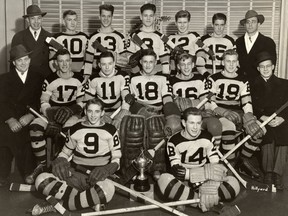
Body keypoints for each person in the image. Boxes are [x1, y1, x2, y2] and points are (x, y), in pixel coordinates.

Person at [33, 98, 120, 213]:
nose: (93, 115)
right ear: (85, 111)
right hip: (75, 175)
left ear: (103, 112)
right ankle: (85, 201)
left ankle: (61, 203)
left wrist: (107, 169)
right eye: (90, 111)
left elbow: (116, 158)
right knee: (41, 180)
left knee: (108, 188)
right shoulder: (75, 129)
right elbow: (65, 152)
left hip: (97, 178)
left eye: (97, 111)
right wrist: (60, 159)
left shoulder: (111, 130)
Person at [157, 107, 240, 212]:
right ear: (183, 123)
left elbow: (215, 163)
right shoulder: (173, 141)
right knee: (164, 180)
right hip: (185, 180)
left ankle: (190, 199)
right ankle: (208, 202)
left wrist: (212, 182)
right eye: (191, 123)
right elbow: (178, 171)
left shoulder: (208, 137)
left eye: (198, 123)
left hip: (205, 179)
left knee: (234, 184)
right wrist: (203, 174)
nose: (195, 127)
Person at [27, 48, 86, 184]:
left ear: (71, 62)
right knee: (35, 128)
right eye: (61, 61)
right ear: (56, 63)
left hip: (72, 113)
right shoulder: (49, 79)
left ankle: (64, 165)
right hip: (52, 112)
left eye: (67, 61)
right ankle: (41, 164)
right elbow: (44, 102)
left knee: (69, 132)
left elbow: (82, 102)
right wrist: (52, 116)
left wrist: (71, 110)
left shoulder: (79, 78)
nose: (64, 64)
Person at [121, 49, 182, 177]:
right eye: (145, 62)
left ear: (155, 63)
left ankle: (156, 167)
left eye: (151, 62)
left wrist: (171, 115)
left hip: (157, 109)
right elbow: (128, 96)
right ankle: (133, 166)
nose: (148, 65)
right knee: (135, 130)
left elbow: (167, 98)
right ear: (141, 63)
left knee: (158, 129)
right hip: (139, 108)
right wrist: (125, 107)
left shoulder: (163, 78)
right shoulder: (133, 78)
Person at [208, 49, 265, 179]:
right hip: (218, 113)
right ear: (223, 62)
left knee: (259, 130)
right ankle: (230, 163)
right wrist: (222, 111)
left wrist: (249, 116)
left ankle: (243, 160)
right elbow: (208, 101)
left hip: (236, 112)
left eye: (234, 61)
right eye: (228, 61)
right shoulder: (213, 78)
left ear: (237, 62)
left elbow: (246, 102)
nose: (231, 64)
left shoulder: (243, 80)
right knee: (229, 128)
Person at [0, 45, 43, 186]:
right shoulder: (4, 79)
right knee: (5, 136)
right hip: (9, 118)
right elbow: (2, 102)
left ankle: (28, 173)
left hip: (29, 116)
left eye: (26, 59)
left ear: (30, 60)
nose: (23, 63)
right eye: (19, 60)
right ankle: (3, 174)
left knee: (30, 135)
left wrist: (31, 115)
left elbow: (40, 100)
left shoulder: (37, 77)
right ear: (13, 63)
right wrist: (10, 119)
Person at [251, 51, 288, 190]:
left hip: (281, 119)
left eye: (268, 66)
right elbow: (250, 106)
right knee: (266, 133)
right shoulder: (252, 86)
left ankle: (277, 173)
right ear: (258, 68)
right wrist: (262, 117)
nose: (265, 69)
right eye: (262, 66)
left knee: (284, 132)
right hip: (262, 119)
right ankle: (268, 172)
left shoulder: (285, 84)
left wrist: (282, 118)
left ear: (273, 67)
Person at [169, 52, 222, 146]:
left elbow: (205, 101)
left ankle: (214, 152)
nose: (186, 67)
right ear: (178, 66)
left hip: (198, 114)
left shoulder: (200, 79)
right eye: (183, 64)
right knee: (172, 127)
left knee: (214, 124)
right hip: (181, 116)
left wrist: (203, 109)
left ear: (193, 65)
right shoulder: (171, 81)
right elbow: (171, 103)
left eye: (189, 64)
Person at [85, 51, 131, 129]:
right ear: (99, 65)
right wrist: (99, 115)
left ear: (114, 64)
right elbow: (88, 101)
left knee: (125, 127)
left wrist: (121, 115)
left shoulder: (122, 75)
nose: (107, 67)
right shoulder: (93, 79)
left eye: (110, 64)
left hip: (118, 110)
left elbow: (125, 96)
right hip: (101, 111)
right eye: (103, 64)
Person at [84, 4, 128, 77]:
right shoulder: (93, 37)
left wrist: (115, 58)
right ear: (99, 17)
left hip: (115, 75)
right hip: (98, 75)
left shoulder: (119, 37)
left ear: (112, 17)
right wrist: (87, 75)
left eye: (109, 16)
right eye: (103, 16)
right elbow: (88, 61)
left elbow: (124, 62)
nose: (106, 19)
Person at [126, 3, 170, 74]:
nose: (148, 18)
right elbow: (129, 58)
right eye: (145, 15)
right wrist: (136, 71)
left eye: (151, 15)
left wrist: (165, 76)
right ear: (141, 17)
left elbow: (164, 60)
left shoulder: (161, 36)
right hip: (138, 74)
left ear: (154, 17)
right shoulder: (133, 36)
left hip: (156, 75)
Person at [235, 10, 277, 83]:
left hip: (260, 85)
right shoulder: (238, 42)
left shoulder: (268, 42)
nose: (250, 25)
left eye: (253, 21)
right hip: (241, 84)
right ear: (244, 24)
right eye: (248, 22)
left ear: (259, 24)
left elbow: (271, 67)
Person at [11, 5, 52, 78]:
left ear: (42, 19)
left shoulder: (50, 37)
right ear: (27, 20)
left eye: (39, 18)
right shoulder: (18, 37)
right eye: (32, 18)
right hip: (26, 78)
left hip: (45, 78)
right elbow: (13, 63)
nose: (36, 22)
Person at [48, 10, 88, 76]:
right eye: (69, 20)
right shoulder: (57, 38)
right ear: (64, 22)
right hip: (62, 75)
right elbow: (51, 61)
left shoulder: (84, 37)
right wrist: (58, 75)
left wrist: (85, 73)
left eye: (74, 20)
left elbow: (88, 58)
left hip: (80, 74)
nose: (72, 23)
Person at [168, 10, 201, 74]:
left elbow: (200, 53)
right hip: (174, 72)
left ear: (189, 22)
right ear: (175, 23)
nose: (182, 25)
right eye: (180, 22)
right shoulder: (169, 37)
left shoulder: (195, 36)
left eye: (185, 22)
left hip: (190, 72)